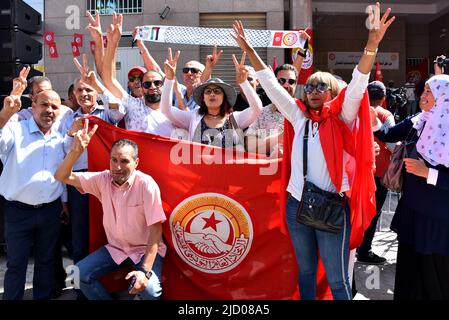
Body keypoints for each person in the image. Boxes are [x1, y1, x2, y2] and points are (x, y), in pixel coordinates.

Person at [231, 2, 395, 300]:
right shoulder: (297, 116)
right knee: (305, 273)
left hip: (333, 206)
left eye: (321, 86)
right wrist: (249, 48)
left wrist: (372, 44)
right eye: (310, 87)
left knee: (337, 280)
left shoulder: (342, 116)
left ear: (332, 92)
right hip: (298, 204)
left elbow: (358, 83)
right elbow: (270, 84)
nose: (313, 90)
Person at [54, 125, 166, 300]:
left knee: (150, 291)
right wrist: (75, 152)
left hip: (145, 250)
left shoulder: (146, 184)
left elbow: (156, 231)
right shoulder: (102, 179)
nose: (118, 167)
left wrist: (144, 272)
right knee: (78, 274)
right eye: (113, 160)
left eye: (124, 161)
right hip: (116, 249)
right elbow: (61, 176)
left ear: (136, 162)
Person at [372, 74, 449, 300]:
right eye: (423, 91)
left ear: (443, 97)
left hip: (437, 220)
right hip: (412, 210)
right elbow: (387, 134)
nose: (422, 96)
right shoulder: (420, 120)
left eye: (428, 92)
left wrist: (428, 173)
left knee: (436, 276)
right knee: (409, 272)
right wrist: (372, 118)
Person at [0, 90, 66, 300]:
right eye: (45, 105)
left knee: (46, 262)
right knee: (17, 264)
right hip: (18, 211)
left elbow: (63, 173)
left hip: (50, 211)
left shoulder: (60, 137)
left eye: (55, 107)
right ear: (34, 105)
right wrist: (4, 115)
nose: (49, 111)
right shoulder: (16, 130)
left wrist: (63, 203)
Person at [160, 49, 262, 148]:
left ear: (224, 98)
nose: (212, 94)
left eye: (217, 91)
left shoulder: (235, 118)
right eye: (208, 92)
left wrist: (244, 83)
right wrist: (169, 79)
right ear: (203, 98)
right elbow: (166, 110)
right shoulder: (192, 117)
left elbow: (257, 109)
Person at [99, 13, 176, 137]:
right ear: (142, 87)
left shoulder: (174, 111)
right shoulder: (133, 105)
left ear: (163, 85)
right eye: (147, 83)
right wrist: (112, 44)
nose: (152, 86)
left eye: (157, 83)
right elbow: (109, 79)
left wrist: (140, 44)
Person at [356, 80, 395, 265]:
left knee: (357, 211)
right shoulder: (385, 115)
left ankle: (354, 246)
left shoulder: (355, 110)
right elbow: (393, 144)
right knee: (373, 212)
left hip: (358, 171)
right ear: (383, 98)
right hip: (379, 173)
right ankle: (364, 251)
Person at [245, 63, 303, 157]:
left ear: (296, 84)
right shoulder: (261, 113)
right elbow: (250, 147)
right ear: (274, 83)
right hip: (266, 169)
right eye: (282, 81)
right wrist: (279, 138)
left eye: (291, 81)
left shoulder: (303, 112)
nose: (286, 85)